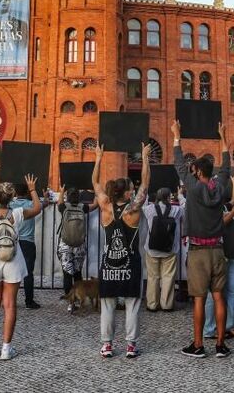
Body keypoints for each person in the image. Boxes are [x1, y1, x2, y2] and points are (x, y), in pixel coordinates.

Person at [174, 120, 233, 359]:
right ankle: (220, 344)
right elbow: (227, 167)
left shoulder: (193, 187)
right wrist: (223, 137)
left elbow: (179, 165)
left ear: (197, 172)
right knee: (219, 296)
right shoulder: (219, 187)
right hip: (218, 249)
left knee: (199, 299)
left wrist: (177, 135)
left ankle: (198, 345)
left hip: (198, 252)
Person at [0, 175, 42, 360]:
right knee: (10, 305)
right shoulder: (18, 213)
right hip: (13, 260)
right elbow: (37, 208)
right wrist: (32, 189)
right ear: (12, 198)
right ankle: (6, 348)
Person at [92, 143, 149, 358]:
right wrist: (144, 158)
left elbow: (95, 183)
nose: (134, 192)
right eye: (131, 190)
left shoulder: (105, 206)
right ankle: (130, 345)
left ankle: (107, 345)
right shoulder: (133, 210)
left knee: (108, 305)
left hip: (109, 264)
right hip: (130, 264)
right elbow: (146, 183)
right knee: (132, 305)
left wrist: (98, 158)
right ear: (126, 193)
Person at [204, 179, 234, 339]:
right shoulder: (206, 206)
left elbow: (233, 201)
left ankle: (227, 325)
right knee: (213, 293)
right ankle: (209, 328)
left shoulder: (220, 204)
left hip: (227, 251)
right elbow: (219, 224)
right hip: (214, 252)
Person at [57, 185, 98, 311]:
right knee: (77, 273)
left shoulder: (63, 207)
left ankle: (71, 303)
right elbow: (95, 205)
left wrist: (61, 191)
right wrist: (96, 191)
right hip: (79, 245)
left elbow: (59, 202)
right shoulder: (83, 207)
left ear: (67, 197)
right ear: (79, 197)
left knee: (67, 273)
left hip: (65, 245)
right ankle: (81, 298)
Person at [143, 186, 183, 313]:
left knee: (153, 276)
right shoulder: (176, 210)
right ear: (168, 197)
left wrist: (144, 196)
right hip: (170, 249)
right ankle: (166, 304)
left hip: (152, 249)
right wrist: (180, 195)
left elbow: (141, 205)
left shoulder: (149, 209)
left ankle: (152, 304)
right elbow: (186, 206)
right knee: (168, 277)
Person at [9, 182, 42, 309]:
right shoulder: (30, 204)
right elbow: (40, 206)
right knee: (28, 272)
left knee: (12, 271)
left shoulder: (11, 205)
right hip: (28, 242)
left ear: (15, 193)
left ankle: (10, 300)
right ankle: (29, 301)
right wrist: (33, 189)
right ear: (27, 192)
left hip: (14, 241)